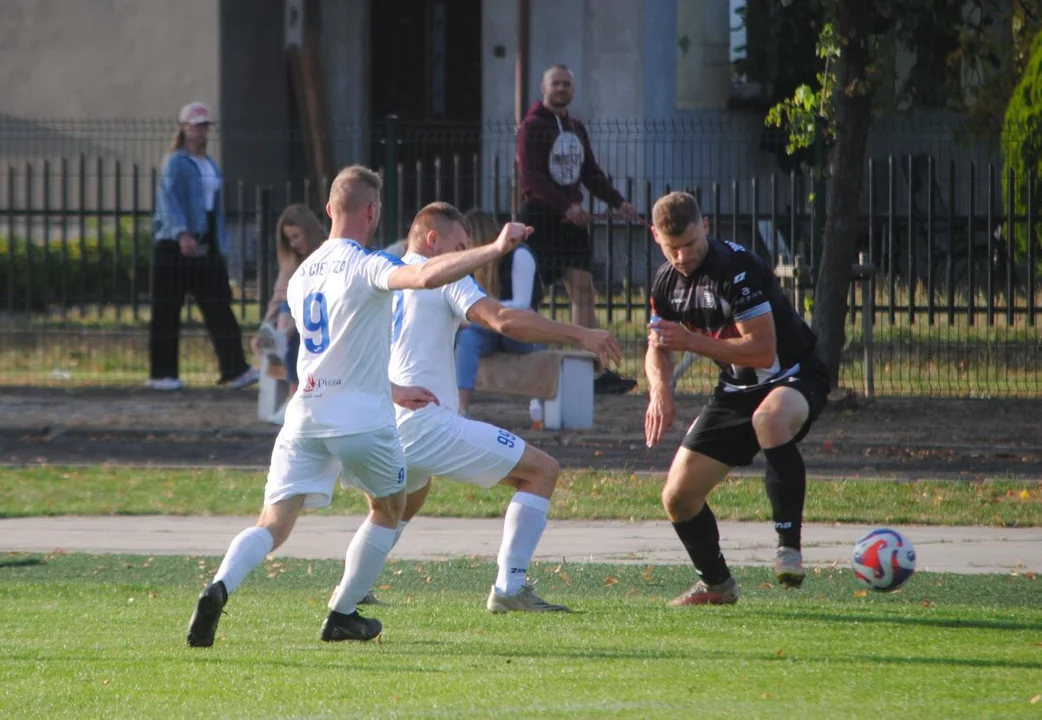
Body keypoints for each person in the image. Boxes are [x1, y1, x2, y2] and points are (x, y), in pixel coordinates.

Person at [185, 166, 531, 647]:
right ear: (373, 212)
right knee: (390, 508)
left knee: (272, 522)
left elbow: (333, 351)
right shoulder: (367, 264)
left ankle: (218, 586)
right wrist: (493, 249)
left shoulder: (303, 272)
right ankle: (342, 614)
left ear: (328, 210)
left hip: (304, 413)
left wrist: (391, 388)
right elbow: (426, 273)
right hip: (361, 421)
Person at [372, 201, 621, 613]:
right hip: (426, 423)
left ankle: (352, 590)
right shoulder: (444, 276)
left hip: (386, 419)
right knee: (542, 471)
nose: (467, 254)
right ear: (435, 242)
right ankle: (510, 587)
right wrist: (580, 334)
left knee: (401, 503)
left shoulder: (387, 278)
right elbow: (504, 319)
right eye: (462, 245)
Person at [643, 192, 829, 606]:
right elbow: (658, 346)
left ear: (705, 225)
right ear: (656, 237)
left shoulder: (736, 268)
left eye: (690, 243)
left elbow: (762, 351)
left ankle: (788, 548)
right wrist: (660, 390)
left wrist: (693, 341)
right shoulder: (664, 281)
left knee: (769, 420)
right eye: (673, 247)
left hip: (793, 374)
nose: (683, 255)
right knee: (678, 497)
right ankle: (716, 585)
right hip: (736, 391)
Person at [516, 64, 639, 395]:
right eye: (556, 83)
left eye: (567, 84)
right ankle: (528, 365)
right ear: (544, 87)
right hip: (540, 218)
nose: (561, 89)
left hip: (573, 221)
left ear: (573, 90)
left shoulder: (576, 128)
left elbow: (590, 173)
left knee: (584, 291)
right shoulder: (531, 127)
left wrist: (618, 202)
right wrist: (565, 206)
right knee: (530, 294)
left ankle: (592, 370)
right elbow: (533, 178)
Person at [149, 101, 258, 391]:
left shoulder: (210, 164)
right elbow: (169, 201)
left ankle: (236, 370)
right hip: (175, 245)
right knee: (167, 310)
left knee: (219, 305)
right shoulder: (175, 162)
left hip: (206, 243)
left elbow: (214, 207)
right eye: (195, 125)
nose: (200, 131)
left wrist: (218, 241)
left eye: (204, 125)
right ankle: (162, 374)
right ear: (183, 127)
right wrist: (182, 233)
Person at [455, 209, 543, 418]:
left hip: (519, 332)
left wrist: (475, 315)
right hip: (487, 332)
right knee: (467, 338)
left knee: (471, 327)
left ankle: (539, 402)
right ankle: (460, 410)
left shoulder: (519, 255)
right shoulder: (468, 263)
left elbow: (522, 304)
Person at [252, 204, 328, 398]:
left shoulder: (326, 253)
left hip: (322, 317)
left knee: (290, 310)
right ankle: (292, 391)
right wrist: (263, 330)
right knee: (286, 306)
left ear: (309, 231)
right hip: (297, 322)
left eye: (296, 236)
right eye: (288, 239)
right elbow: (278, 297)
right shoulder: (291, 261)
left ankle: (294, 393)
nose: (293, 244)